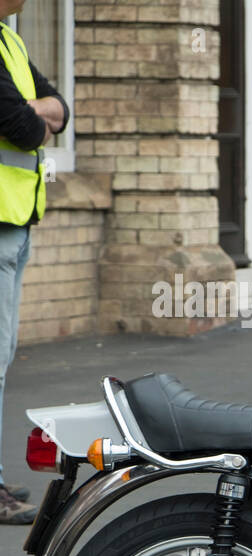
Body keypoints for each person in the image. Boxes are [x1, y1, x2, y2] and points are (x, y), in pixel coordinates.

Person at [0, 1, 67, 524]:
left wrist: (39, 110)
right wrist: (33, 112)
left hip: (17, 221)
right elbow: (20, 125)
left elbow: (59, 107)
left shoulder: (11, 39)